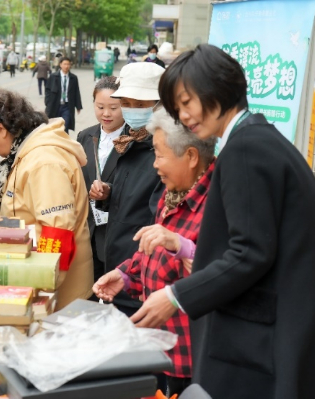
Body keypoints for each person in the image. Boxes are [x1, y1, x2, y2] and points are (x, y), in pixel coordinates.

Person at [152, 43, 315, 398]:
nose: (184, 115)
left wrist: (175, 296)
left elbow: (250, 252)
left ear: (215, 86)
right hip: (293, 330)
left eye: (186, 102)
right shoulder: (259, 140)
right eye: (177, 108)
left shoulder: (245, 149)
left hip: (277, 339)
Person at [94, 108, 216, 397]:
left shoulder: (219, 202)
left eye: (160, 155)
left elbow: (222, 272)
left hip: (192, 357)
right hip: (160, 348)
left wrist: (180, 245)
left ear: (191, 156)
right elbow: (153, 250)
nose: (155, 165)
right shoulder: (172, 192)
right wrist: (125, 275)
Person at [0, 85, 93, 310]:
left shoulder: (43, 162)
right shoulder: (23, 151)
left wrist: (39, 292)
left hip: (56, 296)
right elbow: (5, 193)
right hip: (33, 278)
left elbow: (57, 233)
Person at [89, 62, 164, 316]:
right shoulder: (131, 141)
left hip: (140, 274)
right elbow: (132, 195)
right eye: (128, 103)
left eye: (141, 104)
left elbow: (160, 217)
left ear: (161, 105)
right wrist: (109, 193)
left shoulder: (162, 150)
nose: (132, 110)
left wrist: (132, 272)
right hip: (119, 266)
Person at [76, 77, 125, 286]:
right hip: (88, 230)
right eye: (100, 107)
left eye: (114, 108)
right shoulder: (85, 136)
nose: (106, 113)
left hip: (117, 233)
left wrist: (109, 191)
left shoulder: (137, 140)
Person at [45, 57, 82, 134]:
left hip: (67, 106)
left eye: (68, 64)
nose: (66, 66)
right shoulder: (53, 76)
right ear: (60, 65)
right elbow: (47, 89)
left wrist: (78, 106)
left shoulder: (73, 78)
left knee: (65, 125)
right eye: (65, 64)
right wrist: (47, 102)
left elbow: (76, 91)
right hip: (56, 105)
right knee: (55, 126)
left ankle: (64, 143)